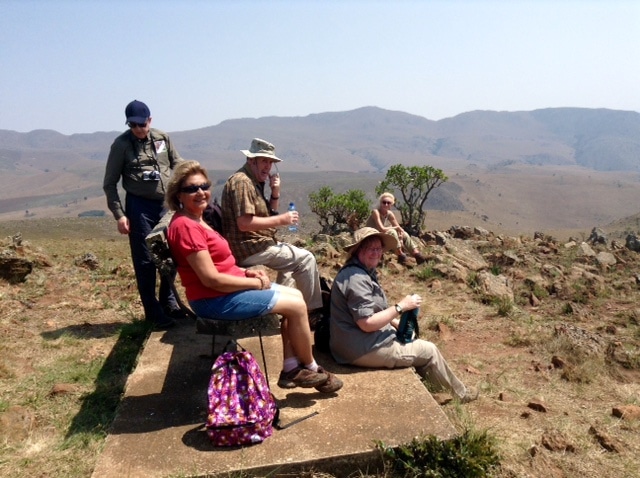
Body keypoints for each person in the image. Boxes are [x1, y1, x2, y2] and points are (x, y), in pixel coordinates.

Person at [165, 160, 342, 393]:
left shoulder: (195, 219)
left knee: (296, 297)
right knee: (297, 306)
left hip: (221, 293)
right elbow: (211, 279)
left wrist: (245, 271)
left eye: (204, 186)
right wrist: (254, 282)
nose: (200, 192)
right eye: (191, 188)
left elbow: (221, 266)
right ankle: (310, 366)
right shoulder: (186, 227)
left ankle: (291, 366)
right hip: (213, 300)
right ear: (178, 194)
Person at [329, 227, 477, 403]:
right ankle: (459, 395)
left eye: (379, 248)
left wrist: (394, 322)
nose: (376, 253)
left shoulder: (359, 271)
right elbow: (366, 323)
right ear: (358, 250)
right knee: (429, 350)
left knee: (413, 341)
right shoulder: (357, 279)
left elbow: (372, 310)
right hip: (359, 348)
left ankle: (436, 387)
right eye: (370, 248)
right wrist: (401, 306)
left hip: (350, 342)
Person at [103, 100, 186, 329]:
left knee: (172, 254)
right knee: (145, 260)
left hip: (166, 204)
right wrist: (120, 215)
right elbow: (110, 183)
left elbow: (177, 163)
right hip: (139, 208)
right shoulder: (121, 145)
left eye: (142, 124)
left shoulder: (162, 138)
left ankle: (169, 302)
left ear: (150, 120)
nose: (138, 129)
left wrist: (186, 187)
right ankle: (153, 312)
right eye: (133, 125)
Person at [221, 138, 324, 321]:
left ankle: (282, 309)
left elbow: (267, 213)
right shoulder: (242, 182)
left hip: (256, 244)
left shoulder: (251, 181)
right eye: (264, 161)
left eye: (270, 162)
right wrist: (282, 220)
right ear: (251, 160)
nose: (268, 166)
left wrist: (274, 193)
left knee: (290, 266)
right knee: (306, 259)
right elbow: (244, 223)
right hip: (249, 248)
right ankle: (311, 314)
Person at [366, 192, 426, 265]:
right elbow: (381, 228)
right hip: (371, 237)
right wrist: (396, 228)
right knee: (392, 232)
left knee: (404, 234)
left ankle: (416, 254)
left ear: (392, 204)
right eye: (384, 202)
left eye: (388, 203)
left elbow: (399, 229)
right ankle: (400, 254)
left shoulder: (389, 214)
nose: (386, 204)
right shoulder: (376, 212)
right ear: (380, 203)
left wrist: (400, 237)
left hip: (380, 236)